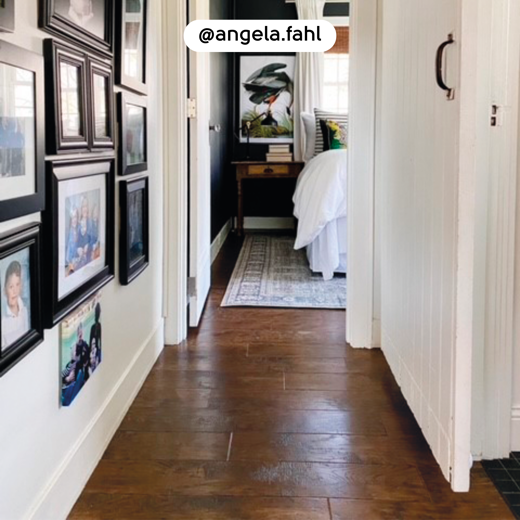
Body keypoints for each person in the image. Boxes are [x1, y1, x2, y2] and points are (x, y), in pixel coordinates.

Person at [1, 260, 30, 350]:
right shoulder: (3, 321)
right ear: (5, 290)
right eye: (11, 287)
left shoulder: (25, 311)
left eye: (17, 285)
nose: (15, 291)